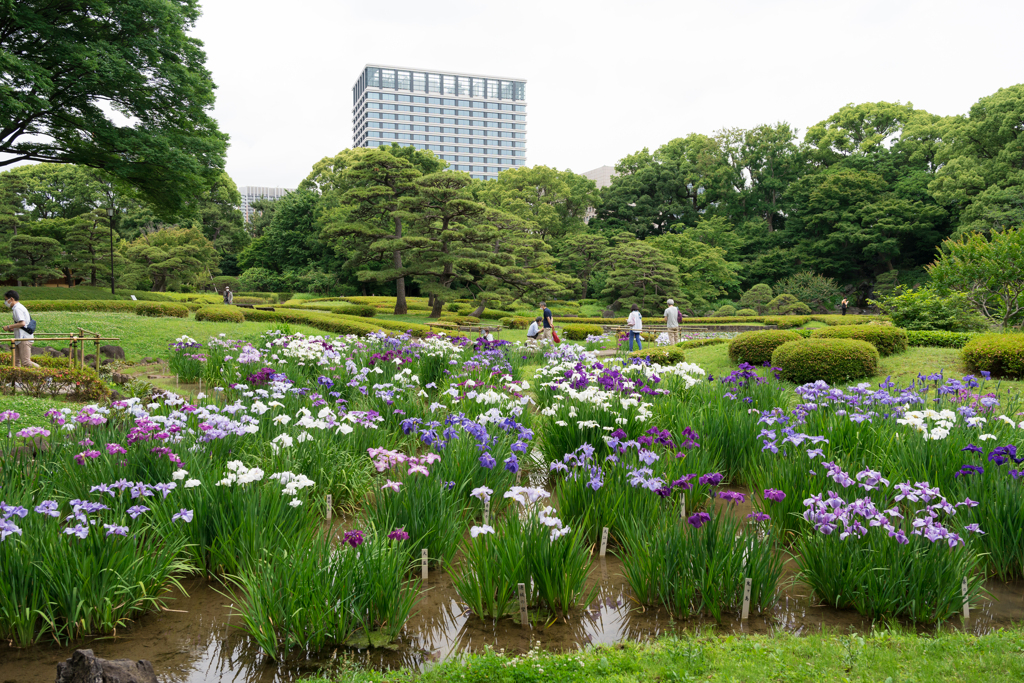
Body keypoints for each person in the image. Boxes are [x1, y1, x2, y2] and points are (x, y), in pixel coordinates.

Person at [3, 290, 40, 368]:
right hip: (19, 338)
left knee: (26, 362)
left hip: (23, 339)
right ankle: (18, 380)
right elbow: (23, 324)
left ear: (11, 299)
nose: (5, 302)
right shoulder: (18, 307)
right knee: (15, 361)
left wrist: (9, 327)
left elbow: (22, 323)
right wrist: (14, 328)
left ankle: (45, 374)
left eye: (6, 300)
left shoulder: (17, 309)